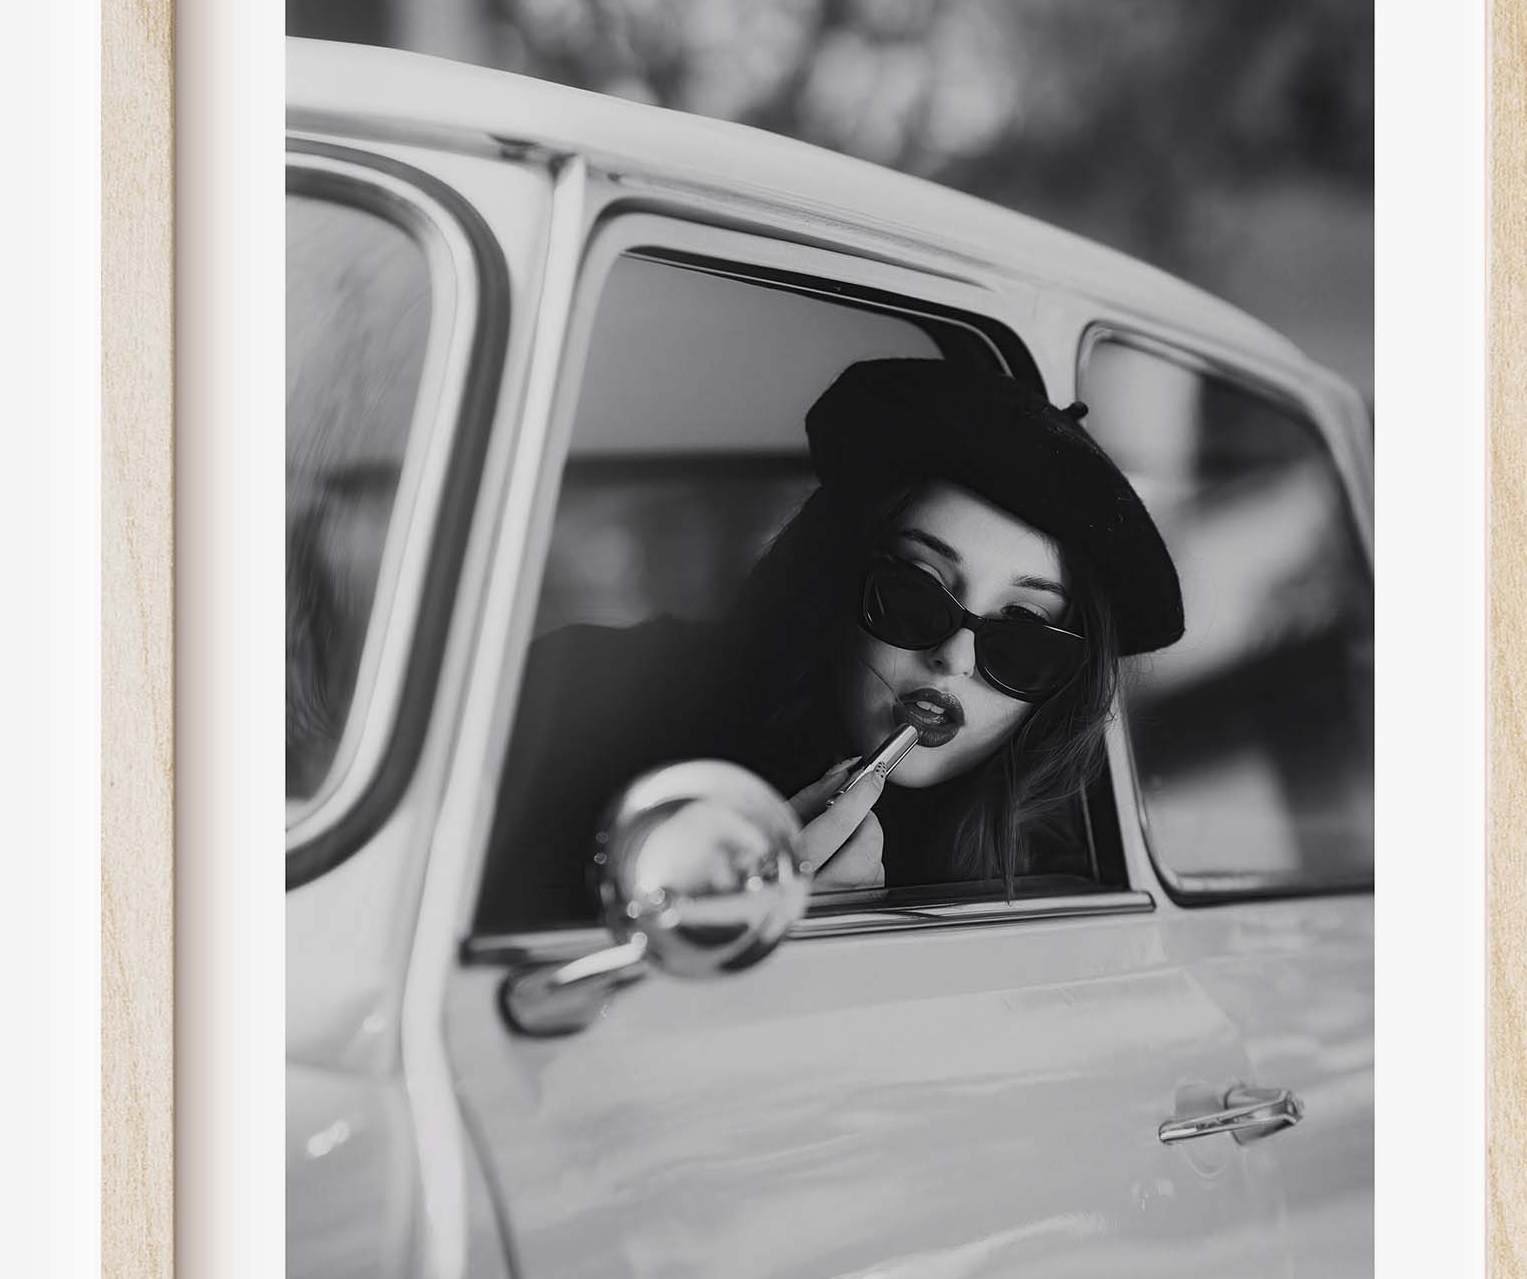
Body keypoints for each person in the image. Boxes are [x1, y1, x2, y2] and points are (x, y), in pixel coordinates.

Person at [473, 356, 1185, 931]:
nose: (955, 660)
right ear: (834, 577)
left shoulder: (1059, 882)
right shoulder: (590, 695)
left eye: (1022, 642)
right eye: (915, 595)